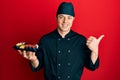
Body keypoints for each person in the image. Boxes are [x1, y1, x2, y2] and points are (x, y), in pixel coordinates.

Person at [18, 2, 104, 80]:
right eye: (61, 17)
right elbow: (37, 67)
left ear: (73, 19)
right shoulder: (46, 40)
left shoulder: (81, 41)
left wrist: (95, 51)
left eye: (69, 18)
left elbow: (92, 66)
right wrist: (33, 59)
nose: (65, 21)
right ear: (56, 18)